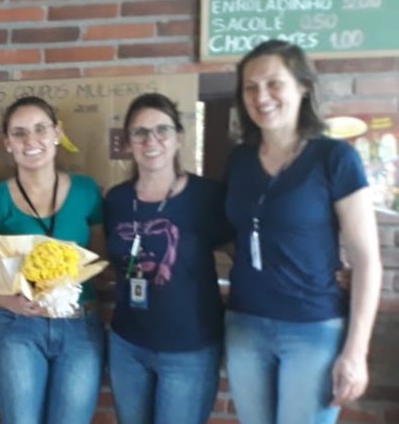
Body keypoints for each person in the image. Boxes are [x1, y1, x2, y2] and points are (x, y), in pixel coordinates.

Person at [224, 40, 382, 424]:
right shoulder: (239, 160)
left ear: (303, 88)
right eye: (250, 87)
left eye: (274, 83)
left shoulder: (335, 158)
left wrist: (356, 351)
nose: (261, 96)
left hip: (313, 328)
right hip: (245, 324)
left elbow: (366, 260)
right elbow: (236, 234)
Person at [0, 96, 106, 424]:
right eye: (20, 133)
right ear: (8, 143)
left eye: (41, 129)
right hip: (17, 329)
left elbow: (101, 261)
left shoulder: (86, 192)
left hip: (79, 326)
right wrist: (11, 302)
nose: (31, 140)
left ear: (57, 132)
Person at [103, 93, 230, 424]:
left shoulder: (207, 196)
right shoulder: (117, 200)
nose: (151, 140)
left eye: (162, 130)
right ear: (128, 142)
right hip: (127, 344)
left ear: (179, 138)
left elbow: (241, 251)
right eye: (140, 132)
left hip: (189, 350)